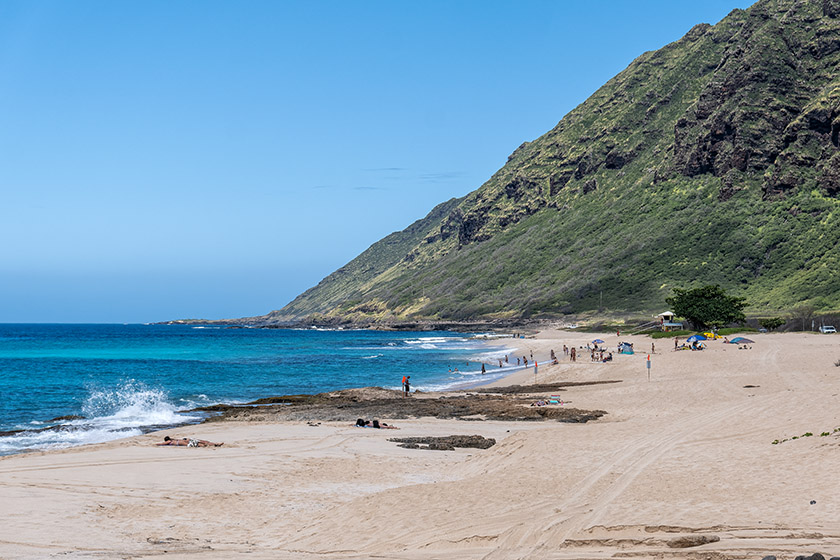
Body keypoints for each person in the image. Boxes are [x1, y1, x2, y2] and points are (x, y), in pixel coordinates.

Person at [157, 436, 223, 447]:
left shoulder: (169, 441)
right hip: (188, 440)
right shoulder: (174, 439)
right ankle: (215, 444)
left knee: (200, 445)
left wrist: (156, 444)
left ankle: (215, 444)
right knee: (203, 441)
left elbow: (161, 444)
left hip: (188, 443)